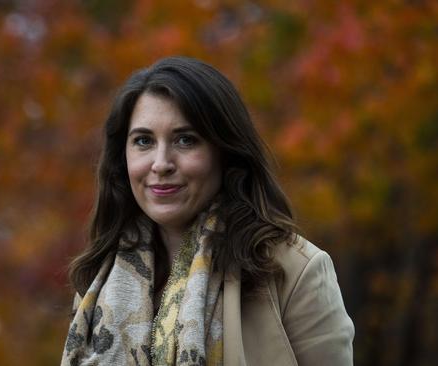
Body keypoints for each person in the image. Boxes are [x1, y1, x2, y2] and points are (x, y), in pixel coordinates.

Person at [61, 56, 354, 366]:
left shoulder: (295, 273)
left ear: (224, 153)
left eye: (185, 140)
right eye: (143, 141)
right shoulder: (99, 283)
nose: (161, 164)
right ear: (123, 157)